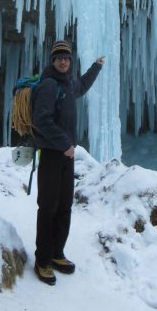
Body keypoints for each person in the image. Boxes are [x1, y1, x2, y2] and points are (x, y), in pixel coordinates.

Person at [32, 39, 104, 285]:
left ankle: (57, 253)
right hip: (53, 155)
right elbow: (41, 120)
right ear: (52, 61)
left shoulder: (68, 85)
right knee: (48, 207)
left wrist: (96, 67)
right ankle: (42, 260)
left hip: (66, 156)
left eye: (67, 58)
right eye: (59, 57)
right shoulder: (48, 86)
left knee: (64, 206)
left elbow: (82, 85)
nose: (63, 61)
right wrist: (64, 144)